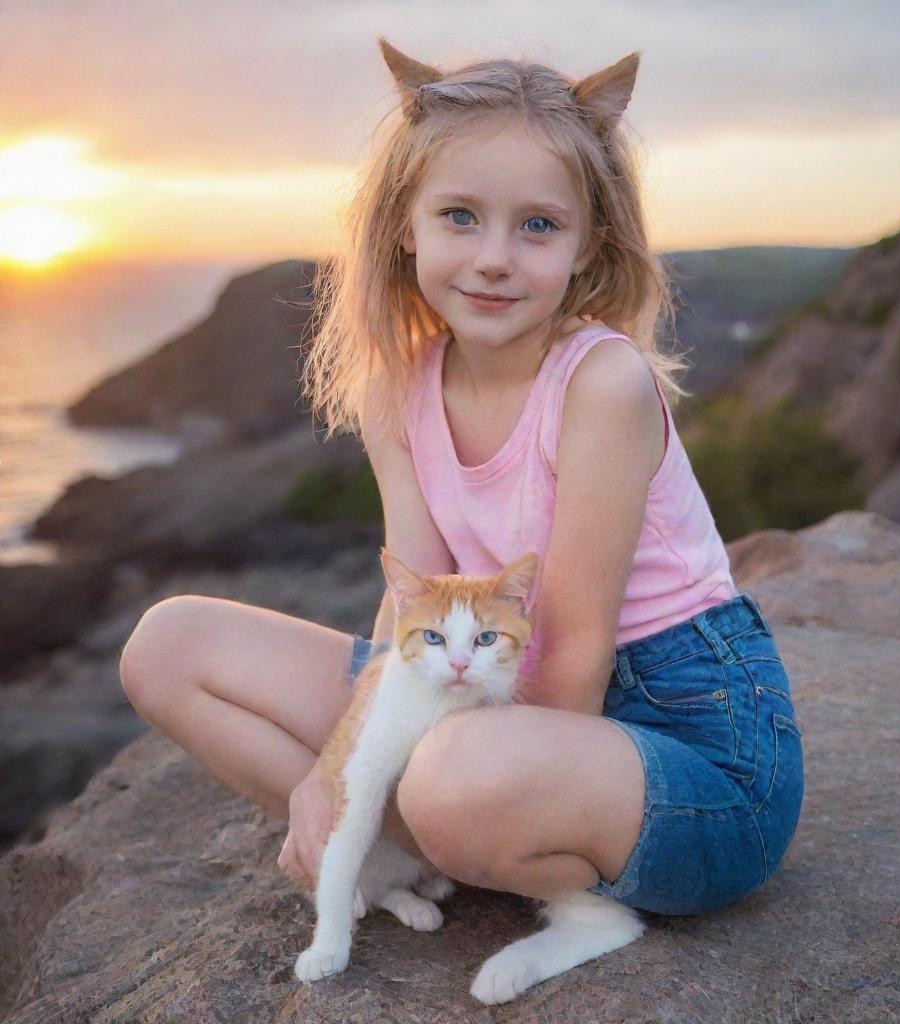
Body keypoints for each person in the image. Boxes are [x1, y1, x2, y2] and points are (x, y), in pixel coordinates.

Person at [120, 38, 803, 919]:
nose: (493, 257)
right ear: (405, 225)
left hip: (684, 740)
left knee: (449, 780)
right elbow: (410, 592)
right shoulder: (398, 385)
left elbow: (578, 645)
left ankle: (451, 832)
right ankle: (380, 849)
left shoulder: (601, 383)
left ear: (588, 244)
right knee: (168, 647)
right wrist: (339, 773)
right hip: (477, 670)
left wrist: (450, 767)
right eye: (460, 217)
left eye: (538, 226)